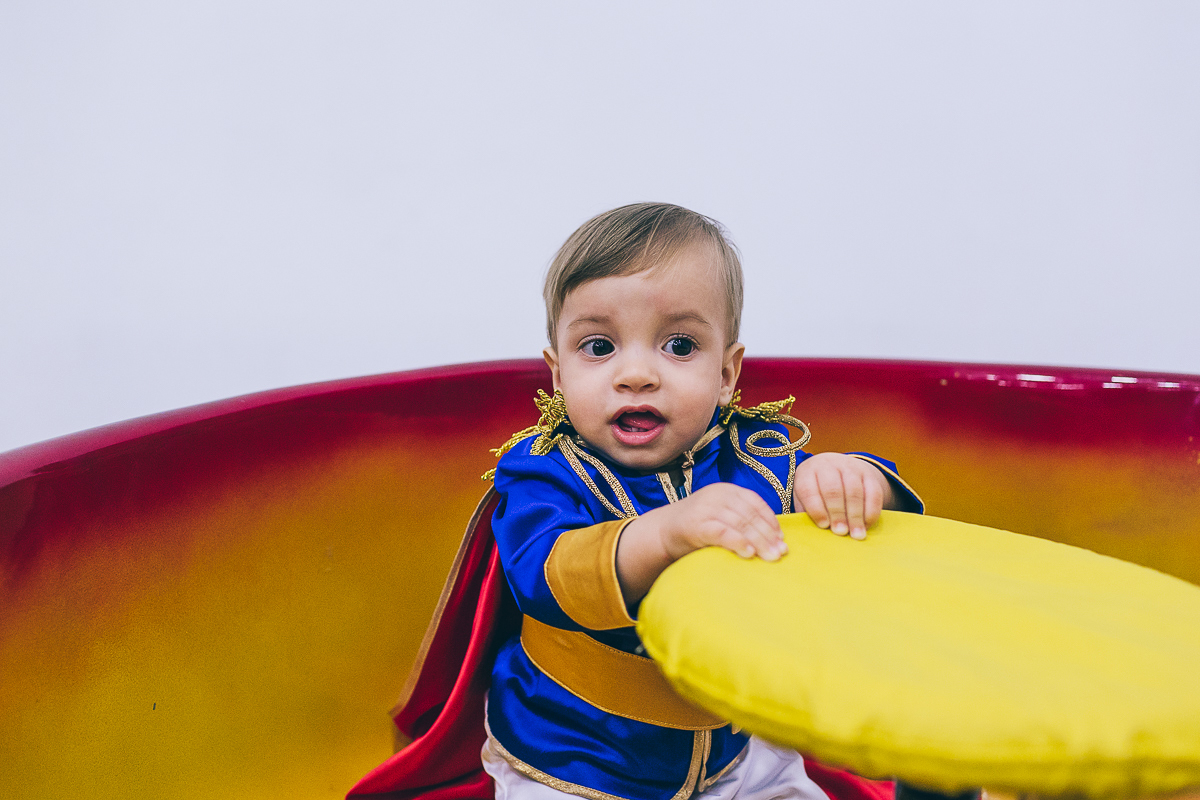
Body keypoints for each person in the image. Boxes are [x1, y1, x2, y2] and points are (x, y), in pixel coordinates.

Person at [483, 203, 923, 800]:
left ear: (726, 374)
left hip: (734, 746)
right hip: (577, 752)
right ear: (557, 376)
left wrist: (851, 477)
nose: (636, 374)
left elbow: (883, 513)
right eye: (598, 346)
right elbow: (547, 574)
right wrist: (662, 535)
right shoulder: (545, 472)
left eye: (680, 345)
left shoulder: (754, 453)